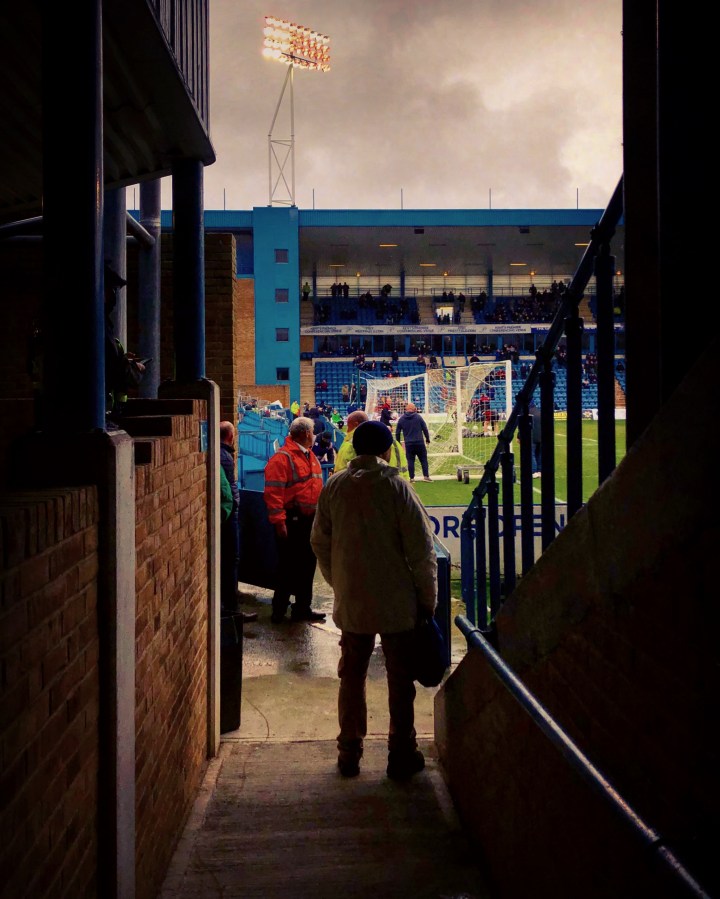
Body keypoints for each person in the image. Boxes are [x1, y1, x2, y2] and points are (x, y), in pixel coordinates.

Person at [310, 420, 438, 780]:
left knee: (352, 676)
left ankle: (348, 753)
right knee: (400, 679)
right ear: (386, 450)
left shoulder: (334, 486)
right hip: (397, 602)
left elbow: (318, 541)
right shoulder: (397, 487)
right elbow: (422, 550)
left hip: (352, 601)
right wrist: (427, 600)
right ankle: (401, 753)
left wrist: (340, 582)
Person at [263, 417, 327, 624]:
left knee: (308, 565)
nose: (314, 435)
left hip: (309, 521)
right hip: (292, 521)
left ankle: (302, 608)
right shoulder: (282, 458)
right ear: (306, 433)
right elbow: (273, 493)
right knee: (287, 567)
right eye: (312, 431)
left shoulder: (309, 455)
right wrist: (280, 522)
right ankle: (279, 611)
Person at [220, 422, 258, 623]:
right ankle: (232, 609)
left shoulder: (222, 454)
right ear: (231, 436)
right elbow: (228, 491)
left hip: (228, 514)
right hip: (228, 517)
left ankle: (229, 605)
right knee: (231, 560)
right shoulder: (224, 457)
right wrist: (234, 506)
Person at [104, 262, 146, 419]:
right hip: (98, 411)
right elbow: (113, 368)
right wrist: (133, 368)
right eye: (111, 289)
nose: (113, 294)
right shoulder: (98, 324)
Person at [334, 410, 410, 481]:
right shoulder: (394, 443)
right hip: (395, 486)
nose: (347, 430)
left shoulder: (351, 443)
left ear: (356, 424)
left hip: (363, 489)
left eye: (348, 426)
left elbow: (340, 472)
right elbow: (403, 467)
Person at [395, 402, 432, 482]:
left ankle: (411, 478)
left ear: (406, 409)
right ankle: (426, 476)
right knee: (423, 459)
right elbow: (425, 428)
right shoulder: (418, 417)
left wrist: (398, 442)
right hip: (419, 442)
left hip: (409, 443)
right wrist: (427, 439)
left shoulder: (402, 419)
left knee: (410, 460)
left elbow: (397, 432)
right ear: (414, 409)